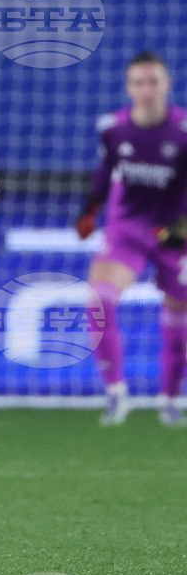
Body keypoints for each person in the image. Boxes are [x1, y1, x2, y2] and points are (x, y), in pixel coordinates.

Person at [76, 51, 187, 427]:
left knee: (179, 319)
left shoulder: (183, 132)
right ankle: (116, 394)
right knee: (98, 301)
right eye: (139, 83)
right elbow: (105, 171)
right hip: (128, 232)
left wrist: (180, 230)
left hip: (176, 234)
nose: (147, 90)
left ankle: (170, 400)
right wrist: (89, 210)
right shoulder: (114, 129)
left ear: (167, 85)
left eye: (153, 82)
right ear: (129, 88)